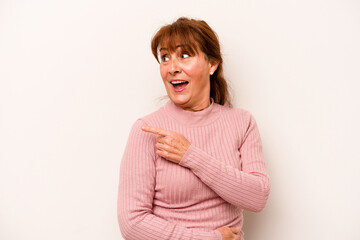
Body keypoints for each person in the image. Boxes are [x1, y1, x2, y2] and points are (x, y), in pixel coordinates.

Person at [117, 17, 270, 240]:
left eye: (184, 55)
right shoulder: (147, 130)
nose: (172, 68)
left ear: (212, 64)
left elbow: (257, 197)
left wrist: (190, 155)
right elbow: (132, 223)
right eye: (165, 58)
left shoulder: (242, 122)